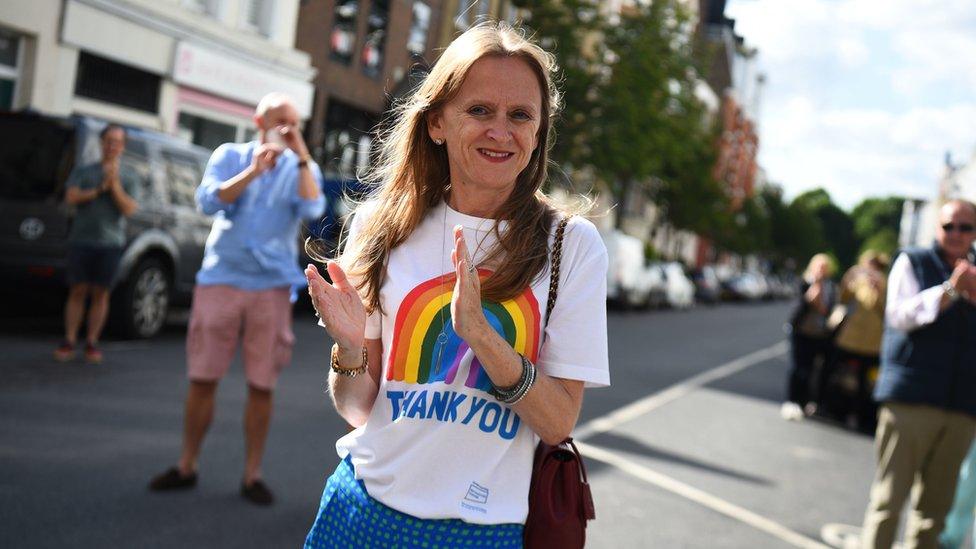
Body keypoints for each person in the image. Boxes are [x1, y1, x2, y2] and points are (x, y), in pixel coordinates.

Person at [302, 23, 609, 547]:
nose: (501, 131)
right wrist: (350, 346)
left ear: (537, 134)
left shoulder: (570, 245)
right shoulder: (381, 225)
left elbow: (559, 422)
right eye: (479, 110)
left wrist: (483, 338)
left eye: (520, 115)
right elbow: (359, 409)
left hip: (482, 532)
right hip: (362, 511)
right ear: (438, 122)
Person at [148, 93, 325, 506]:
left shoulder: (303, 167)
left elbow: (313, 206)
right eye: (280, 121)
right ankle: (186, 463)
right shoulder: (230, 154)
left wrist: (299, 155)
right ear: (258, 121)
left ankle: (252, 474)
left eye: (294, 124)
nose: (286, 130)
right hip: (222, 279)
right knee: (203, 377)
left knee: (262, 383)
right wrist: (251, 171)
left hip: (271, 287)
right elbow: (209, 200)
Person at [860, 199, 976, 549]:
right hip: (911, 400)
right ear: (937, 228)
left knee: (934, 514)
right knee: (888, 502)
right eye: (948, 226)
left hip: (962, 406)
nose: (956, 234)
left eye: (965, 227)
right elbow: (899, 316)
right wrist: (951, 290)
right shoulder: (913, 260)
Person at [54, 124, 139, 364]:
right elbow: (71, 196)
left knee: (101, 292)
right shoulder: (84, 171)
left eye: (117, 142)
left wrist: (114, 187)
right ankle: (69, 339)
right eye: (108, 141)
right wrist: (98, 189)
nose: (112, 146)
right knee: (78, 289)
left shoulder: (129, 175)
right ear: (102, 143)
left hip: (110, 242)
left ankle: (92, 341)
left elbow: (130, 208)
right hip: (81, 239)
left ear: (122, 146)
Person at [823, 250, 888, 431]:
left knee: (866, 382)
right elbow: (843, 298)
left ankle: (861, 416)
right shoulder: (858, 279)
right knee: (835, 369)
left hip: (873, 340)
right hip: (851, 335)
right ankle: (833, 407)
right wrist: (848, 280)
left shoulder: (884, 282)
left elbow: (884, 310)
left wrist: (878, 289)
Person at [782, 253, 836, 421]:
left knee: (811, 369)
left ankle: (805, 401)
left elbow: (826, 309)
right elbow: (805, 302)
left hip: (818, 334)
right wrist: (815, 286)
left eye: (824, 268)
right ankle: (792, 401)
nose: (821, 271)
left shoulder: (830, 287)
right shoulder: (804, 282)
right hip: (800, 331)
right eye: (819, 267)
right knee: (797, 367)